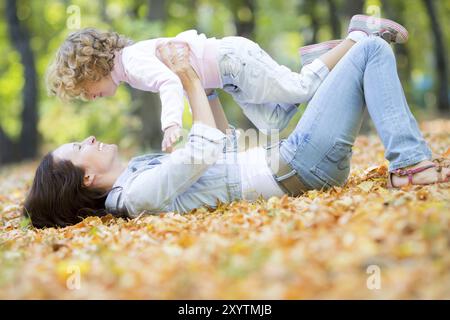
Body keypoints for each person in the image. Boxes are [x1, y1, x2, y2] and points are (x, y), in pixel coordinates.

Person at [24, 35, 449, 228]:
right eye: (81, 146)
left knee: (303, 93)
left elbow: (220, 144)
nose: (91, 139)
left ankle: (326, 61)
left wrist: (205, 90)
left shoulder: (140, 169)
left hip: (289, 157)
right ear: (87, 177)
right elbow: (202, 149)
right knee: (370, 46)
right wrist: (187, 76)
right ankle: (410, 165)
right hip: (295, 167)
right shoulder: (134, 196)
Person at [46, 15, 407, 152]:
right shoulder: (130, 68)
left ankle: (359, 36)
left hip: (234, 61)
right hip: (230, 75)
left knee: (300, 89)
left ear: (93, 69)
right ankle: (324, 58)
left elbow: (173, 86)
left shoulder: (132, 62)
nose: (89, 98)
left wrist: (172, 126)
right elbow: (193, 85)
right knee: (272, 122)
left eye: (85, 90)